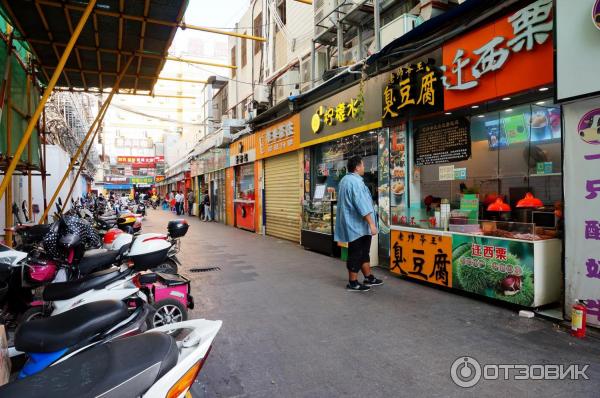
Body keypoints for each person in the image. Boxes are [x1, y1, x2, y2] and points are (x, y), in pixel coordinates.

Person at [334, 156, 383, 292]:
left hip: (354, 225)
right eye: (362, 165)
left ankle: (368, 277)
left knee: (363, 252)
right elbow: (362, 205)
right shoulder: (355, 182)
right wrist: (372, 224)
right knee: (356, 253)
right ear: (357, 167)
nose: (364, 167)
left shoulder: (345, 180)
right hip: (358, 226)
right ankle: (353, 282)